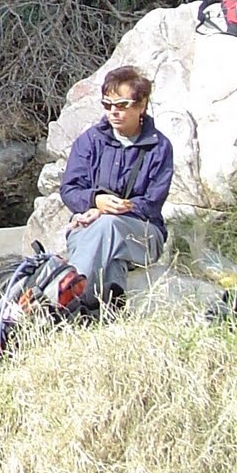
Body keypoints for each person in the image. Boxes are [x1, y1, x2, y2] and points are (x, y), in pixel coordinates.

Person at [60, 64, 174, 305]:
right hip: (89, 228)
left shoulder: (159, 147)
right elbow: (70, 189)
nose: (113, 112)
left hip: (143, 235)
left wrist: (104, 210)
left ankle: (61, 301)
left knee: (108, 225)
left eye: (122, 105)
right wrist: (94, 201)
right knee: (110, 261)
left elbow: (151, 204)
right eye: (107, 105)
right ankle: (98, 312)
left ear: (141, 105)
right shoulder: (90, 140)